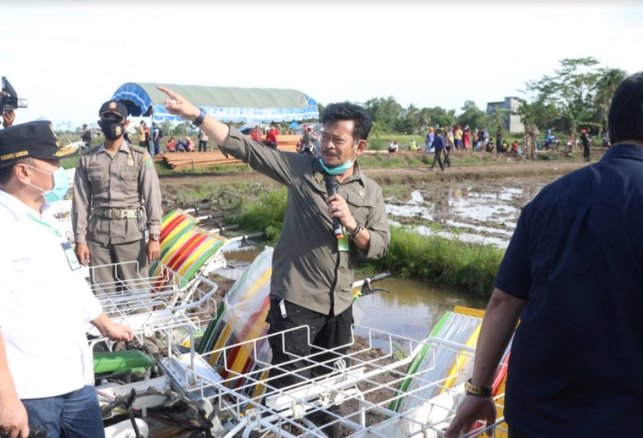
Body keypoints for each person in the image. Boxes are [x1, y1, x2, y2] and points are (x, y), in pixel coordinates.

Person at [445, 70, 643, 437]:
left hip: (537, 416)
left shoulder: (550, 198)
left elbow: (503, 301)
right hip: (634, 420)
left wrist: (479, 390)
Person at [158, 85, 390, 433]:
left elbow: (381, 244)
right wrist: (197, 116)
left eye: (337, 139)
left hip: (340, 304)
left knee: (330, 385)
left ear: (359, 146)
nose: (327, 144)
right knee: (289, 384)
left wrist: (353, 225)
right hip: (295, 300)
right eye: (325, 135)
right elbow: (247, 148)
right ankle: (268, 430)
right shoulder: (300, 170)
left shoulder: (369, 191)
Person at [0, 120, 134, 438]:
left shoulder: (44, 214)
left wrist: (104, 323)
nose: (61, 169)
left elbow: (72, 281)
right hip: (32, 393)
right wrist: (6, 399)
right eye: (54, 162)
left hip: (75, 379)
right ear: (24, 172)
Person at [72, 100, 162, 291]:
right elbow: (80, 203)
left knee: (137, 292)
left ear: (126, 124)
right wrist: (80, 241)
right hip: (98, 237)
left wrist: (154, 237)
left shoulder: (140, 156)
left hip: (130, 234)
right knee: (104, 297)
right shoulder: (88, 159)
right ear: (100, 124)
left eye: (116, 120)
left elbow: (152, 197)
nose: (112, 124)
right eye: (107, 119)